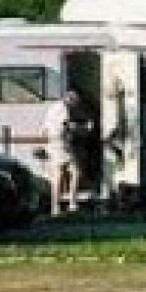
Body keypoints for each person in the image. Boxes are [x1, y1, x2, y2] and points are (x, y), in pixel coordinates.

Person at [55, 81, 102, 215]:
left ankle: (58, 205)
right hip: (68, 145)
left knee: (62, 173)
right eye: (73, 96)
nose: (75, 99)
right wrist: (85, 128)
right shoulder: (64, 109)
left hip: (68, 144)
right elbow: (68, 126)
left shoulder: (64, 108)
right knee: (74, 172)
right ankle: (71, 202)